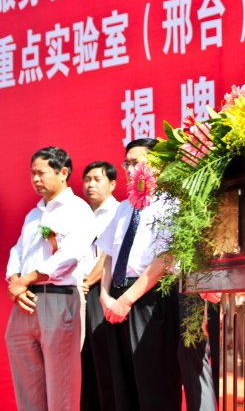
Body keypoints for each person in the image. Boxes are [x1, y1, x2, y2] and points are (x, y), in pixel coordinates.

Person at [5, 146, 95, 410]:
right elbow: (17, 251)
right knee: (27, 387)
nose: (35, 179)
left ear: (63, 172)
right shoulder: (34, 215)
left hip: (59, 300)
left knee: (61, 387)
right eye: (32, 173)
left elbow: (70, 256)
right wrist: (16, 281)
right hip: (26, 301)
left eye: (41, 173)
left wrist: (26, 279)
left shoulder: (78, 210)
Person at [97, 138, 182, 410]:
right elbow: (109, 255)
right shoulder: (123, 207)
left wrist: (127, 299)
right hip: (116, 300)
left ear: (157, 164)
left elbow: (165, 259)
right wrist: (105, 296)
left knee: (154, 381)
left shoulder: (170, 204)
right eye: (127, 163)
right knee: (124, 384)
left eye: (136, 162)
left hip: (151, 298)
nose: (130, 169)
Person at [80, 161, 119, 411]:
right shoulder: (82, 214)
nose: (90, 184)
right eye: (87, 179)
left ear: (112, 184)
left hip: (101, 291)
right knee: (86, 359)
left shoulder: (118, 212)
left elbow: (107, 255)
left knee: (104, 356)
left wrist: (87, 281)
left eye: (97, 179)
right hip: (81, 291)